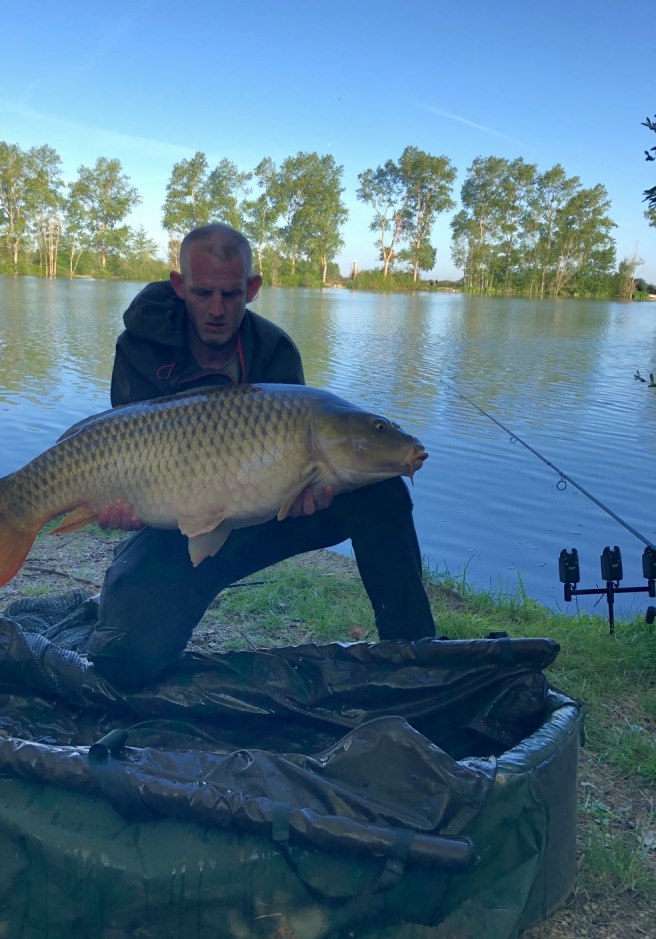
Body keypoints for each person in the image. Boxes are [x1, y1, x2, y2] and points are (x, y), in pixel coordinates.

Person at [86, 223, 435, 688]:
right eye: (202, 292)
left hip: (263, 516)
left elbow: (301, 489)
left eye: (230, 295)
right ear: (179, 286)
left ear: (251, 289)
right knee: (127, 660)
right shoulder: (139, 347)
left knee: (382, 492)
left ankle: (415, 654)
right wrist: (121, 507)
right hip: (174, 521)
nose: (215, 309)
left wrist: (313, 494)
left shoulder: (275, 350)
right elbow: (124, 448)